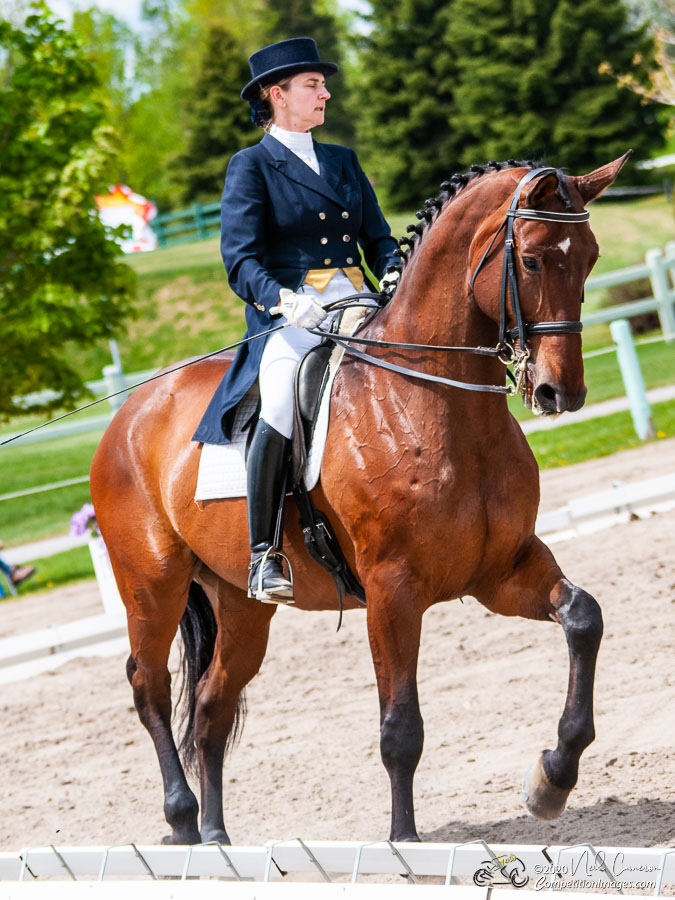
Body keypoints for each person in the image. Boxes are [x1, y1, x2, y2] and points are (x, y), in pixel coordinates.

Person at [192, 37, 398, 604]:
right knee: (280, 398)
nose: (325, 92)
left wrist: (396, 271)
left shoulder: (343, 160)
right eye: (313, 85)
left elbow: (377, 240)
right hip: (293, 318)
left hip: (359, 305)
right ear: (276, 95)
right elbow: (240, 259)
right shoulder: (252, 166)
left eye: (323, 84)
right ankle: (265, 554)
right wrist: (283, 300)